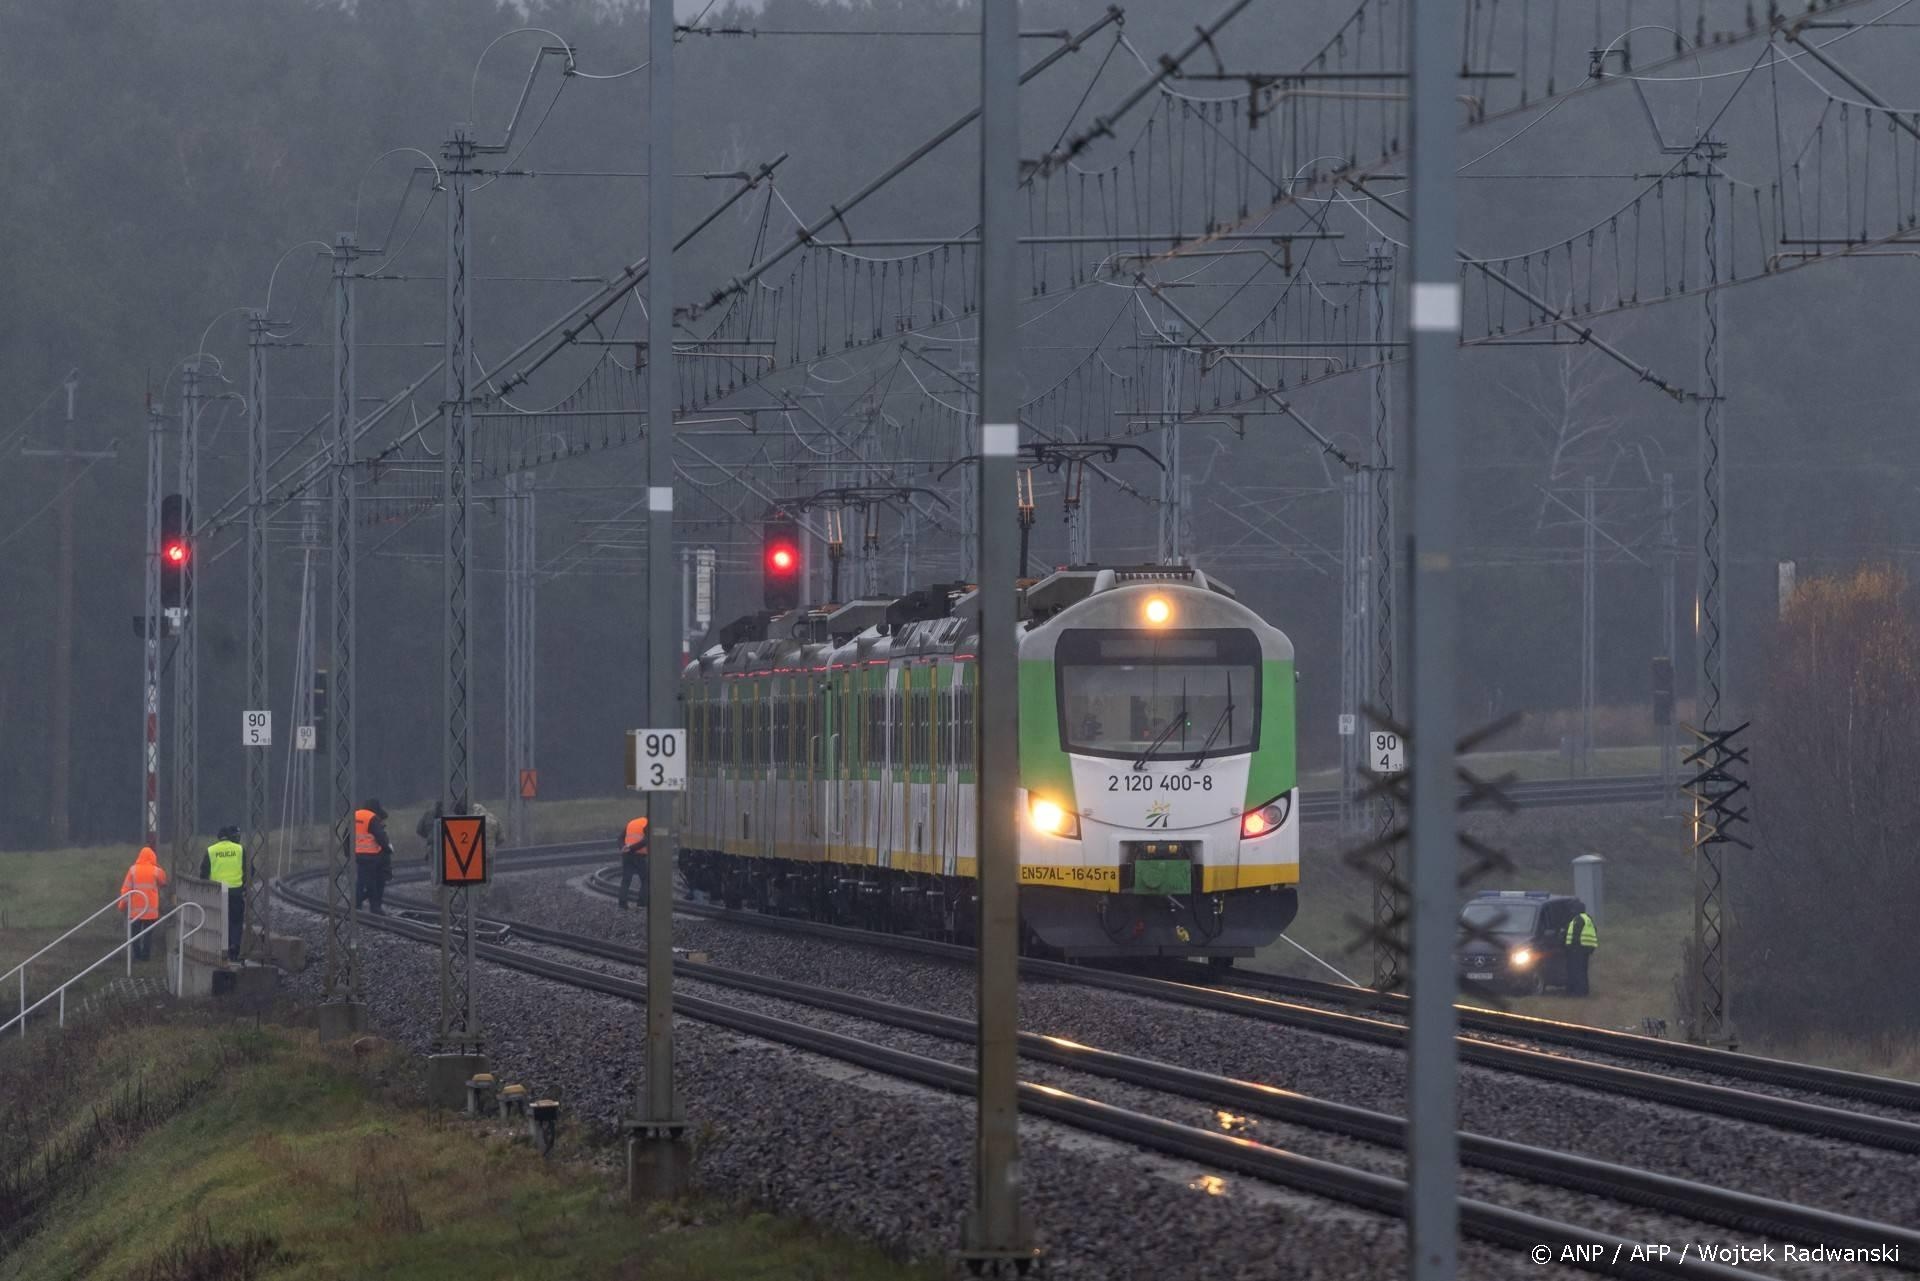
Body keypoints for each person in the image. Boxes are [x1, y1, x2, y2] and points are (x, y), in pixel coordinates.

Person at [201, 825, 246, 961]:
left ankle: (221, 949)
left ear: (218, 837)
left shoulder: (211, 850)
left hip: (217, 892)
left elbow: (203, 872)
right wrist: (243, 885)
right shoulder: (239, 849)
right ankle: (234, 947)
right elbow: (249, 870)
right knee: (236, 921)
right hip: (235, 891)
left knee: (220, 921)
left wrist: (206, 888)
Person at [120, 846, 168, 961]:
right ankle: (146, 956)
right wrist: (156, 865)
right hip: (151, 911)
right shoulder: (156, 870)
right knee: (148, 935)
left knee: (135, 935)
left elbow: (126, 889)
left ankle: (137, 956)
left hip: (135, 910)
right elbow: (163, 881)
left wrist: (122, 905)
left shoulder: (133, 870)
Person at [354, 800, 393, 914]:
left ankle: (356, 905)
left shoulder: (355, 816)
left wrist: (349, 853)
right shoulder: (372, 818)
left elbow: (347, 835)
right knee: (376, 881)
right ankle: (375, 907)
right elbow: (380, 837)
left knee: (361, 881)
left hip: (359, 855)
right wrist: (388, 849)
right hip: (373, 855)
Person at [1563, 899, 1599, 996]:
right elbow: (1594, 931)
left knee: (1576, 971)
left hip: (1577, 949)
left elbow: (1575, 935)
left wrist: (1569, 947)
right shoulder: (1588, 918)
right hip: (1586, 949)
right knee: (1583, 971)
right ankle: (1584, 991)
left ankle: (1577, 993)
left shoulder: (1578, 920)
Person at [619, 816, 649, 910]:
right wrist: (632, 848)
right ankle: (641, 903)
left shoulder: (632, 822)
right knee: (646, 879)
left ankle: (622, 904)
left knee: (626, 880)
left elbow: (620, 838)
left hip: (626, 855)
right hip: (639, 855)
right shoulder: (648, 823)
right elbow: (646, 840)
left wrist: (623, 847)